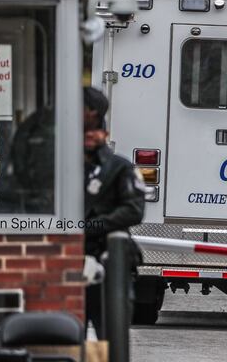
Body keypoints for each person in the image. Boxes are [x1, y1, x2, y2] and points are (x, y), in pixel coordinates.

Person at [83, 86, 145, 339]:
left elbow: (133, 210)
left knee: (111, 336)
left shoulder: (119, 168)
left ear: (104, 133)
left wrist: (94, 225)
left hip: (108, 259)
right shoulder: (60, 167)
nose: (88, 138)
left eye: (94, 132)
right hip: (69, 258)